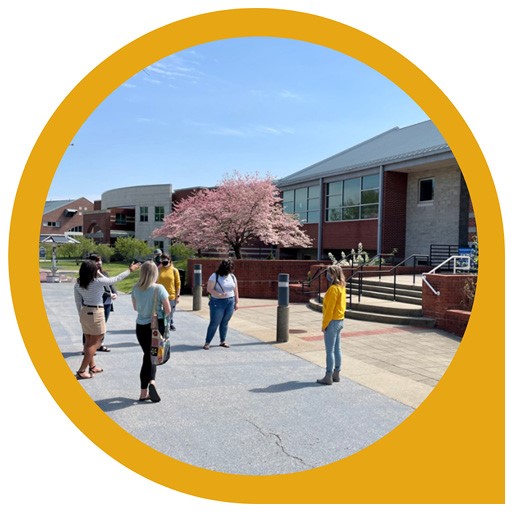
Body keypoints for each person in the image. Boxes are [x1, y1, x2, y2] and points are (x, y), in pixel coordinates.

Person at [74, 259, 140, 379]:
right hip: (96, 312)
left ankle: (92, 366)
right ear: (93, 271)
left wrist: (81, 316)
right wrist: (130, 270)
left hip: (85, 312)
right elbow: (115, 279)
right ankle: (82, 370)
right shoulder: (98, 281)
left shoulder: (78, 283)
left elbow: (78, 302)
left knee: (89, 341)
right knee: (97, 341)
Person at [131, 261, 172, 402]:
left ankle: (144, 391)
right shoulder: (158, 288)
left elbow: (135, 308)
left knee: (147, 356)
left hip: (140, 327)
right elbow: (168, 310)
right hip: (155, 328)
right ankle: (151, 383)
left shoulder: (135, 288)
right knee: (152, 356)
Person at [317, 265, 346, 385]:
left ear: (333, 275)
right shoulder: (342, 287)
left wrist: (324, 325)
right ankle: (336, 373)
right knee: (337, 349)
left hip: (332, 321)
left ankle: (328, 376)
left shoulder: (333, 289)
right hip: (340, 320)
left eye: (328, 273)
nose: (327, 276)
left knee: (329, 350)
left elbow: (329, 309)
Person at [81, 253, 117, 353]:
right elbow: (97, 290)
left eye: (100, 260)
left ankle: (100, 344)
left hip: (107, 304)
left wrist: (114, 293)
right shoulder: (89, 277)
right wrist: (108, 294)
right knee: (89, 326)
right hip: (94, 305)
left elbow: (110, 283)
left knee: (102, 326)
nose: (99, 263)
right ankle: (87, 347)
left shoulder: (104, 274)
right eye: (97, 261)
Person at [203, 258, 239, 350]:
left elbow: (235, 290)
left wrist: (236, 302)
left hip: (230, 301)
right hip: (217, 302)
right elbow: (209, 289)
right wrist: (218, 294)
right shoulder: (215, 276)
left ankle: (222, 341)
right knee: (214, 322)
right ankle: (207, 342)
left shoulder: (232, 276)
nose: (230, 270)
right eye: (229, 268)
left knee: (225, 322)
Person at [156, 253, 181, 331]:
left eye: (165, 260)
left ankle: (169, 324)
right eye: (162, 260)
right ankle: (162, 327)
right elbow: (155, 282)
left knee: (170, 312)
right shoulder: (159, 270)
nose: (164, 262)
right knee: (160, 313)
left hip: (171, 296)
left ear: (169, 260)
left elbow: (178, 284)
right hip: (159, 296)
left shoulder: (174, 270)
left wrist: (177, 296)